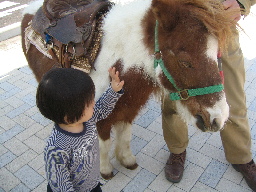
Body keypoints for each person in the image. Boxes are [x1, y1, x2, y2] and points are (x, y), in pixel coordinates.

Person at [162, 0, 256, 191]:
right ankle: (177, 150)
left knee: (233, 98)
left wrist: (241, 2)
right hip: (179, 28)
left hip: (222, 26)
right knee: (175, 99)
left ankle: (241, 156)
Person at [36, 67, 124, 192]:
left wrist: (114, 90)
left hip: (93, 184)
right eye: (89, 103)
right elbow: (60, 185)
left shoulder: (87, 119)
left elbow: (102, 109)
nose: (94, 103)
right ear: (70, 115)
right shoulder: (56, 148)